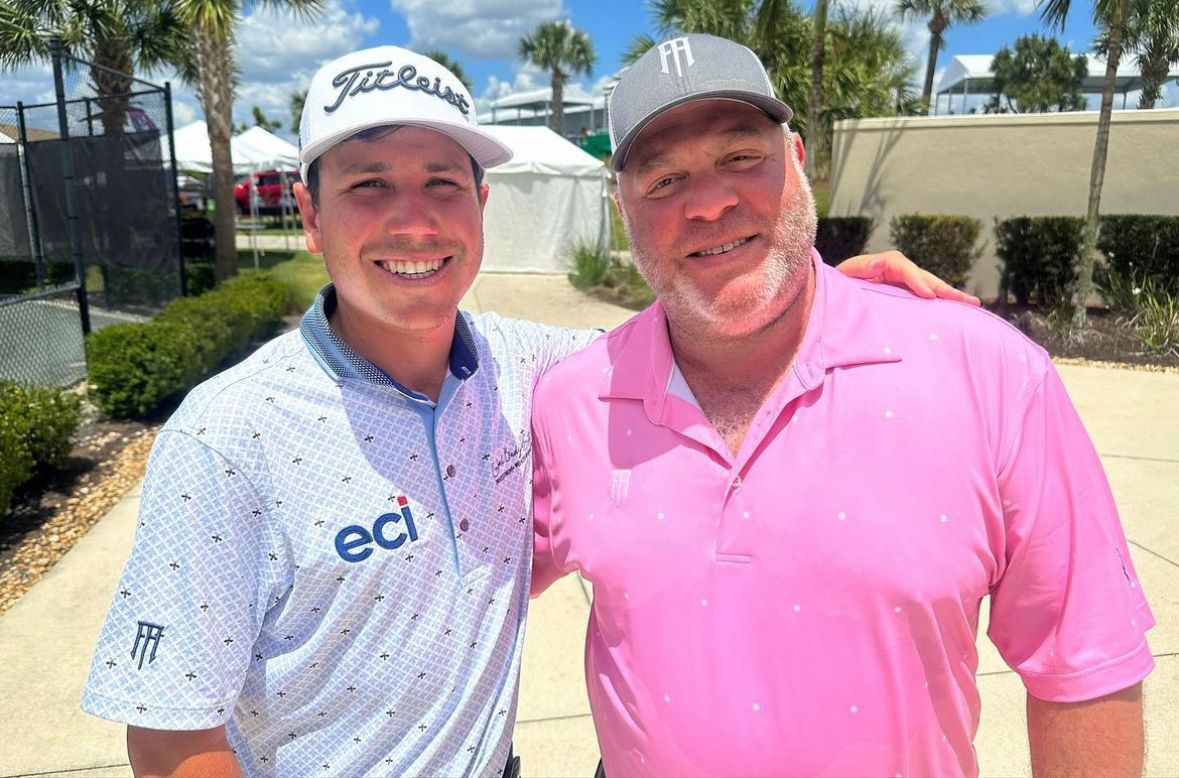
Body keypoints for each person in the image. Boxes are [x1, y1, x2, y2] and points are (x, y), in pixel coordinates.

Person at [80, 45, 972, 777]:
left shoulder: (536, 371)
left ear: (481, 205)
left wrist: (810, 289)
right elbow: (168, 737)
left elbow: (696, 328)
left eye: (441, 182)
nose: (414, 222)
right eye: (368, 186)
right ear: (310, 216)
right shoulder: (227, 435)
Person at [529, 34, 1154, 778]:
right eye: (663, 180)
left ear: (796, 160)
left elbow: (1083, 663)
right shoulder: (570, 401)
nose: (710, 203)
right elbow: (455, 582)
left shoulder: (987, 373)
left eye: (740, 157)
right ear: (622, 208)